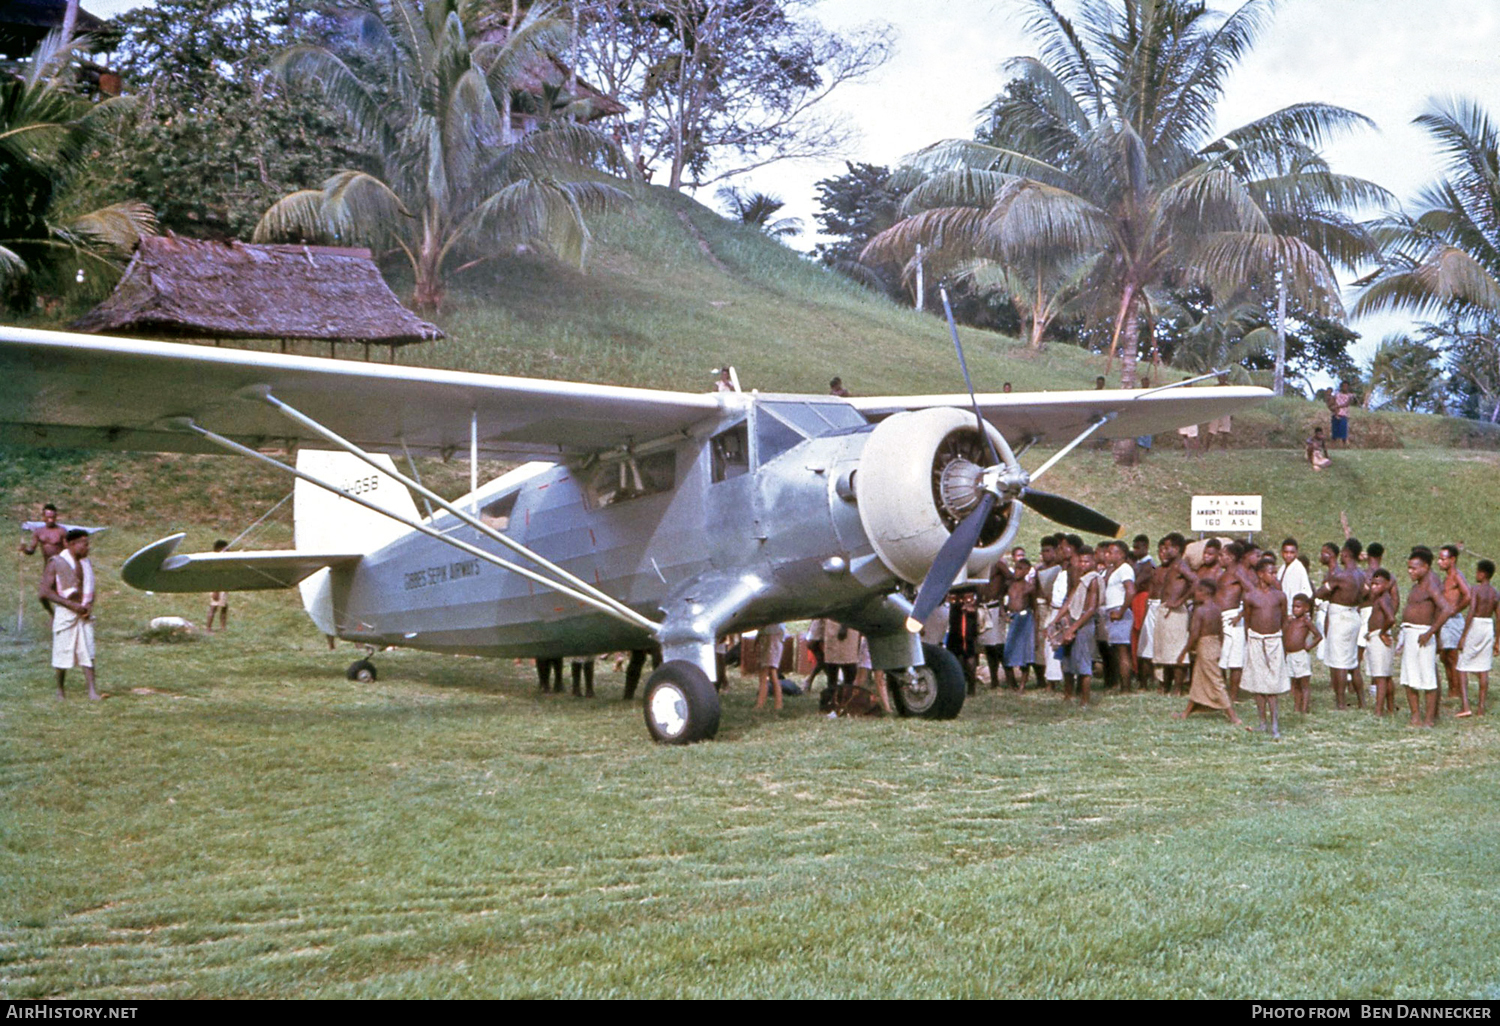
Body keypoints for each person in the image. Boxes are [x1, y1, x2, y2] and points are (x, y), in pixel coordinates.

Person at [1173, 579, 1245, 727]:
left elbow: (1194, 634)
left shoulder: (1200, 610)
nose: (1195, 593)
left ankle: (1233, 716)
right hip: (1215, 644)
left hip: (1205, 645)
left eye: (1198, 591)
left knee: (1215, 680)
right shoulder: (1217, 609)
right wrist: (1220, 646)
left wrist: (1184, 651)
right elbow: (1221, 632)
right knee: (1199, 679)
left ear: (1204, 593)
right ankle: (1186, 712)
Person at [38, 528, 99, 700]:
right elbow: (44, 592)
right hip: (66, 612)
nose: (87, 548)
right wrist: (70, 605)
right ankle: (60, 690)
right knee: (62, 653)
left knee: (88, 651)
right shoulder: (56, 562)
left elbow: (91, 588)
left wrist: (87, 606)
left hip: (83, 613)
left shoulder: (86, 562)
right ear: (72, 544)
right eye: (84, 544)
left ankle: (92, 691)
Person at [1400, 547, 1454, 728]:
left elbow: (1446, 609)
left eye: (1414, 568)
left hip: (1423, 634)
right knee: (1409, 677)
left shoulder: (1431, 584)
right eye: (1409, 568)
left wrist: (1431, 632)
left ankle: (1429, 719)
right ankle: (1415, 717)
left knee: (1428, 678)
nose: (1410, 571)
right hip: (1411, 633)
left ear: (1425, 567)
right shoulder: (1419, 585)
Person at [1316, 538, 1368, 710]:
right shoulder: (1362, 575)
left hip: (1340, 618)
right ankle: (1361, 701)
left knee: (1339, 663)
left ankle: (1340, 702)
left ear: (1345, 554)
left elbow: (1321, 593)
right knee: (1352, 662)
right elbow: (1366, 594)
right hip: (1354, 615)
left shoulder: (1341, 576)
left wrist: (1326, 592)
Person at [1242, 557, 1289, 737]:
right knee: (1258, 683)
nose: (1275, 576)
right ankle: (1262, 721)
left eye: (1276, 572)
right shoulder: (1250, 596)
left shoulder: (1280, 596)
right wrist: (1252, 638)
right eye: (1271, 572)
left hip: (1274, 640)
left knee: (1272, 684)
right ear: (1261, 574)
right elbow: (1247, 620)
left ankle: (1274, 723)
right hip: (1255, 640)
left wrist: (1279, 642)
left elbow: (1284, 619)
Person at [1057, 546, 1100, 706]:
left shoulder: (1093, 580)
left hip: (1084, 624)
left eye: (1087, 561)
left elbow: (1091, 609)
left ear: (1093, 561)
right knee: (1067, 661)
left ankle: (1085, 700)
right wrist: (1056, 620)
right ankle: (1067, 696)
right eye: (1081, 561)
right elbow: (1069, 601)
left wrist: (1073, 628)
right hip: (1072, 621)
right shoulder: (1080, 579)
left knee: (1083, 664)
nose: (1083, 565)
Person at [1457, 560, 1498, 716]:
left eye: (1477, 572)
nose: (1476, 575)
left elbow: (1472, 610)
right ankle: (1481, 707)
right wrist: (1498, 641)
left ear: (1483, 573)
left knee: (1462, 666)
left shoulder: (1475, 590)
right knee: (1484, 667)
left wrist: (1463, 636)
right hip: (1488, 625)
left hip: (1476, 624)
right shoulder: (1495, 593)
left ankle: (1466, 706)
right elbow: (1499, 618)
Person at [1157, 533, 1195, 695]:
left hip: (1176, 612)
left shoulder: (1181, 565)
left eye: (1168, 547)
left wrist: (1181, 600)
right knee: (1166, 651)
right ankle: (1166, 685)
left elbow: (1196, 581)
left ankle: (1178, 688)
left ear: (1177, 549)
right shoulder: (1172, 566)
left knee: (1177, 651)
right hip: (1165, 609)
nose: (1164, 551)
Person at [1436, 544, 1472, 705]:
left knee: (1452, 656)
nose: (1439, 562)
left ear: (1452, 559)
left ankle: (1457, 689)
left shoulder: (1457, 575)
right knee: (1445, 656)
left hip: (1453, 620)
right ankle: (1452, 687)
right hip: (1445, 620)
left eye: (1443, 559)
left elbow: (1468, 596)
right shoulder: (1447, 577)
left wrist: (1455, 610)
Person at [1101, 540, 1136, 691]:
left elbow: (1131, 591)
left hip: (1119, 612)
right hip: (1112, 611)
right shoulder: (1112, 570)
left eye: (1110, 552)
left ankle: (1126, 688)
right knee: (1116, 650)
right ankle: (1120, 684)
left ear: (1121, 554)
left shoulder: (1125, 569)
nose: (1106, 555)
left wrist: (1121, 611)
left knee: (1122, 651)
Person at [1365, 569, 1399, 717]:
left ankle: (1379, 710)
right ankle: (1390, 707)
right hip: (1376, 635)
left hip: (1380, 637)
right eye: (1372, 584)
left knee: (1380, 677)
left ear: (1386, 585)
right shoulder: (1379, 599)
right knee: (1386, 675)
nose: (1374, 587)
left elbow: (1391, 619)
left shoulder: (1383, 599)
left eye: (1378, 584)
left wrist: (1382, 632)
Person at [1284, 594, 1322, 714]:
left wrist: (1309, 646)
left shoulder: (1306, 621)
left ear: (1306, 608)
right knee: (1295, 683)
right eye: (1293, 607)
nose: (1295, 609)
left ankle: (1304, 709)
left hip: (1300, 655)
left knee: (1304, 683)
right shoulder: (1292, 621)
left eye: (1298, 607)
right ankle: (1297, 707)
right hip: (1290, 655)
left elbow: (1318, 636)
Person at [1000, 558, 1035, 688]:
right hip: (1012, 618)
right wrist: (1004, 613)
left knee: (1025, 653)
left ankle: (1022, 685)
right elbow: (1000, 599)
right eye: (1016, 568)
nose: (1017, 572)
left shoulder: (1029, 587)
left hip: (1025, 619)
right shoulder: (1009, 584)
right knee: (1008, 651)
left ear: (1027, 571)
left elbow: (1034, 606)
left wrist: (1035, 626)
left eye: (1020, 569)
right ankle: (1011, 683)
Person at [947, 592, 981, 694]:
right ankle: (957, 688)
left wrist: (972, 604)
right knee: (956, 661)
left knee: (970, 660)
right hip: (956, 633)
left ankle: (971, 688)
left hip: (968, 634)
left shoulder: (971, 608)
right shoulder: (953, 607)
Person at [754, 623, 786, 711]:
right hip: (772, 637)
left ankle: (761, 703)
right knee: (771, 672)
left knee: (766, 672)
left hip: (770, 637)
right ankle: (778, 703)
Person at [1277, 538, 1312, 615]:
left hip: (1293, 612)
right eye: (1286, 552)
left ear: (1296, 553)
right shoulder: (1282, 568)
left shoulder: (1298, 568)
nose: (1288, 555)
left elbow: (1302, 593)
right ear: (1281, 552)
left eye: (1292, 552)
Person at [1203, 372, 1233, 449]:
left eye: (1223, 378)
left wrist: (1232, 412)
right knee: (1211, 430)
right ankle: (1206, 447)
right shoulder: (1215, 387)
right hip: (1216, 411)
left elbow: (1232, 400)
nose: (1222, 380)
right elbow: (1211, 400)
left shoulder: (1229, 388)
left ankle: (1223, 448)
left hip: (1226, 411)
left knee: (1225, 431)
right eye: (1220, 378)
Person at [206, 539, 230, 631]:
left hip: (223, 585)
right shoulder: (215, 561)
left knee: (224, 606)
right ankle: (208, 628)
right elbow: (214, 577)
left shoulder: (224, 560)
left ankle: (223, 627)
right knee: (214, 606)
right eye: (225, 550)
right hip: (216, 586)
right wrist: (215, 590)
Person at [1325, 380, 1355, 447]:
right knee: (1334, 432)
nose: (1345, 387)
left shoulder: (1350, 396)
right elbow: (1332, 402)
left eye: (1346, 386)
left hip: (1344, 415)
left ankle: (1344, 446)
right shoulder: (1337, 394)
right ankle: (1333, 446)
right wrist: (1333, 408)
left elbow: (1347, 404)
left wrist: (1337, 406)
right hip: (1335, 414)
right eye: (1343, 386)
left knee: (1343, 432)